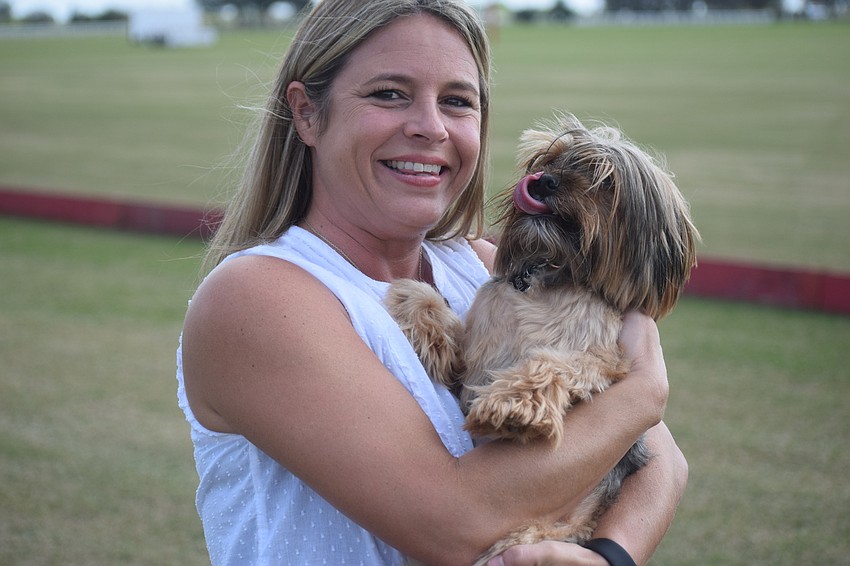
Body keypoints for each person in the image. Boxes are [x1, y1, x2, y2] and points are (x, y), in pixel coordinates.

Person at [177, 1, 688, 564]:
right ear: (307, 114)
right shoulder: (257, 298)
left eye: (457, 101)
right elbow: (457, 522)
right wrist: (644, 390)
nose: (431, 126)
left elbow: (658, 461)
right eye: (389, 94)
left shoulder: (488, 268)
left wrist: (607, 556)